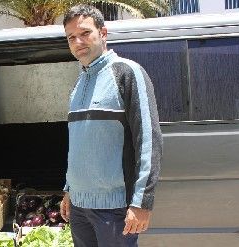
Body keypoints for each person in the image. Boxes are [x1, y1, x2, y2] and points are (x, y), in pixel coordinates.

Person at [60, 5, 163, 247]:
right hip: (79, 207)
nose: (78, 42)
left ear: (103, 33)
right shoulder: (78, 84)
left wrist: (142, 202)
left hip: (114, 209)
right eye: (71, 37)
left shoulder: (127, 73)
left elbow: (149, 140)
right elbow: (77, 144)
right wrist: (69, 189)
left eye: (85, 33)